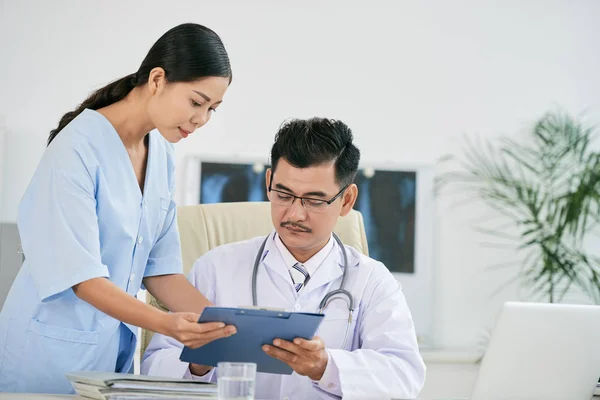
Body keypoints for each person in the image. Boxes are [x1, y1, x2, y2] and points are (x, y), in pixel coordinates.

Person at [0, 23, 237, 394]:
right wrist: (168, 324)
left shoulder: (161, 154)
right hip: (46, 358)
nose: (201, 119)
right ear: (157, 79)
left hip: (112, 363)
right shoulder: (75, 148)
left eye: (213, 109)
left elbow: (161, 273)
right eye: (196, 101)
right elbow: (83, 279)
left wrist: (230, 326)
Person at [142, 118, 426, 400]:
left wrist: (325, 366)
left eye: (315, 200)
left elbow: (404, 376)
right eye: (283, 194)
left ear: (347, 200)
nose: (294, 214)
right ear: (268, 183)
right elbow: (152, 368)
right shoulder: (216, 267)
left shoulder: (371, 281)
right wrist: (198, 363)